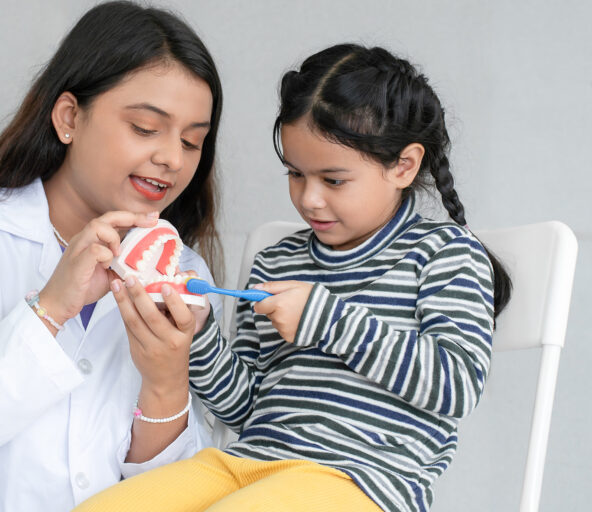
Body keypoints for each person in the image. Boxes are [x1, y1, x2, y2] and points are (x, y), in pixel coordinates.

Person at [75, 43, 512, 512]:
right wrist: (196, 336)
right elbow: (244, 406)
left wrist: (327, 320)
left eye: (334, 180)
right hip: (248, 464)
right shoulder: (276, 261)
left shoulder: (446, 254)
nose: (310, 199)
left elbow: (455, 387)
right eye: (296, 174)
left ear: (403, 165)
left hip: (363, 482)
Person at [0, 2, 224, 510]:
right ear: (70, 117)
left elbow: (178, 494)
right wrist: (50, 311)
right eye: (146, 128)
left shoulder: (187, 277)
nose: (172, 158)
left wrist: (165, 386)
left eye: (193, 141)